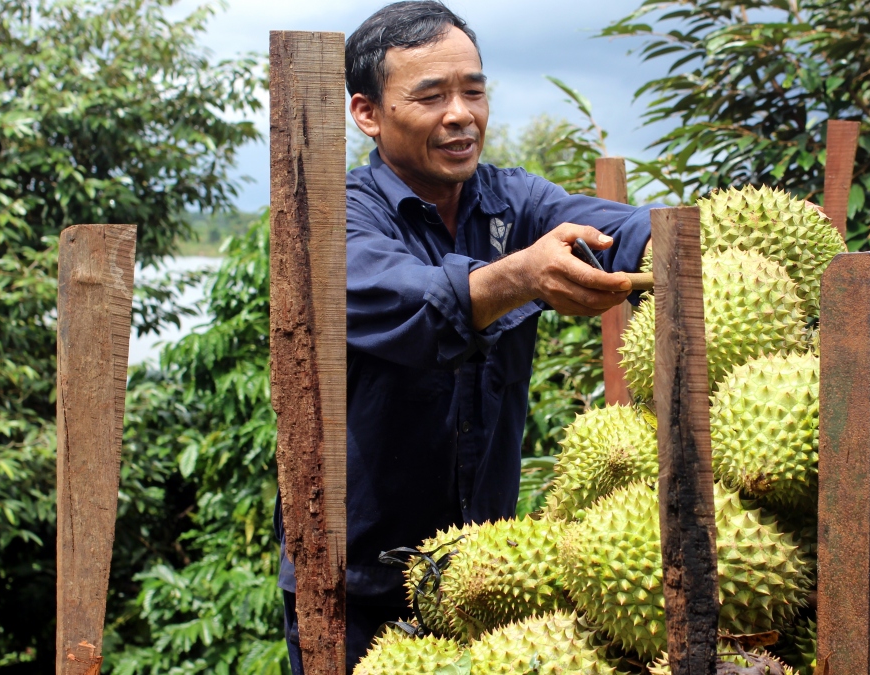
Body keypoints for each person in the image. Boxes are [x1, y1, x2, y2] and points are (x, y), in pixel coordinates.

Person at [275, 2, 657, 671]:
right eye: (431, 96)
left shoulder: (516, 202)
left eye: (474, 91)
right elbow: (407, 301)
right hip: (351, 586)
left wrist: (692, 238)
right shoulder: (336, 220)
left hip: (480, 580)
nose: (461, 115)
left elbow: (618, 226)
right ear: (367, 112)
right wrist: (521, 276)